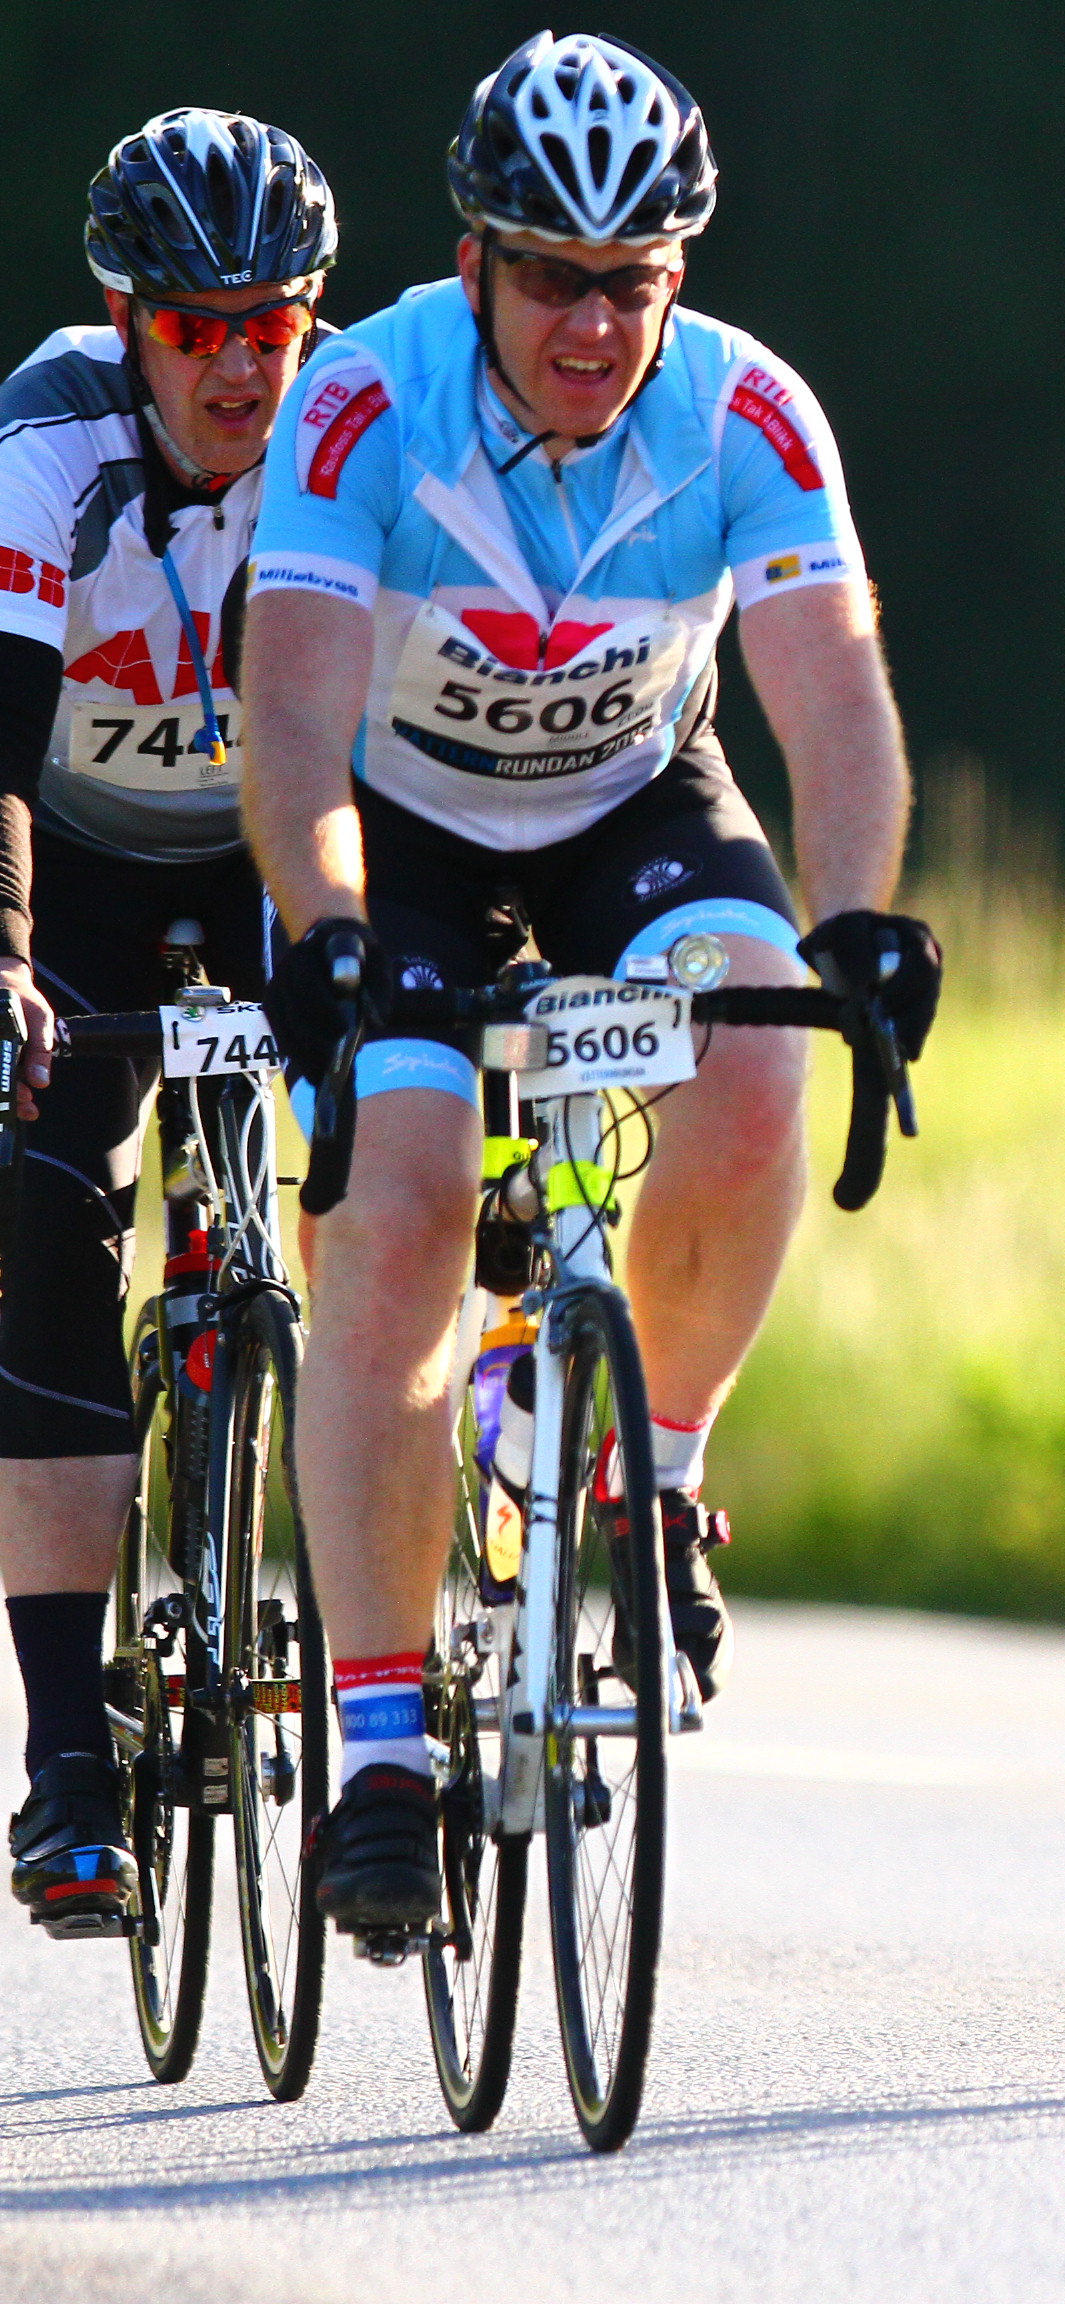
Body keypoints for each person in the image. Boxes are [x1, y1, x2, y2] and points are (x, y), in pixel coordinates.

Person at [241, 32, 938, 1934]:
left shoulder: (746, 411)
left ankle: (654, 1480)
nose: (593, 323)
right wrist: (322, 928)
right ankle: (384, 1746)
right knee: (402, 1206)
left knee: (761, 1058)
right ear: (473, 261)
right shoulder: (361, 404)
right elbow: (290, 720)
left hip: (636, 800)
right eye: (551, 276)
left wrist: (860, 919)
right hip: (402, 837)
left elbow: (833, 699)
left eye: (631, 282)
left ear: (676, 279)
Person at [2, 112, 337, 1940]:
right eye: (194, 327)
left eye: (269, 324)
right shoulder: (48, 443)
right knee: (48, 1207)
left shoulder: (354, 433)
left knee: (391, 1136)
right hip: (69, 868)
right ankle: (66, 1762)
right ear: (128, 320)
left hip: (279, 849)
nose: (236, 366)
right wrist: (3, 959)